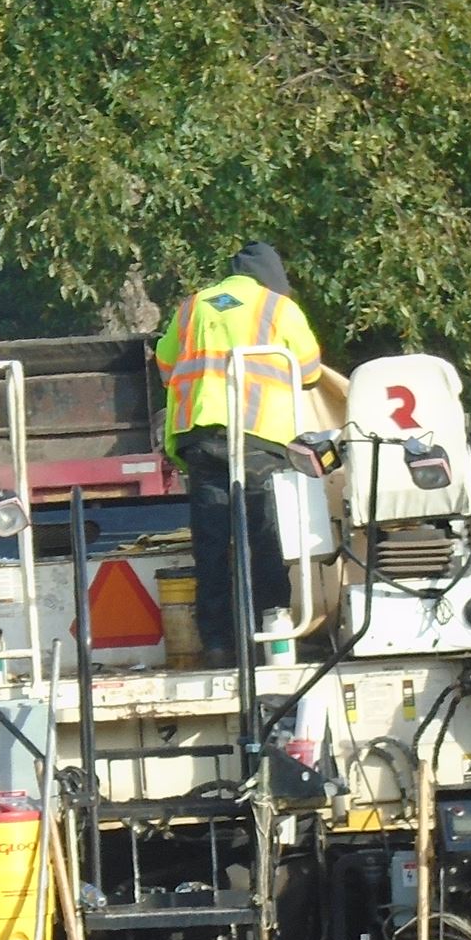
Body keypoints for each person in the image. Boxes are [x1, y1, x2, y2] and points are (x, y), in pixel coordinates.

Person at [154, 242, 327, 664]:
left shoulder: (193, 307)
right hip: (259, 436)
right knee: (265, 538)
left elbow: (165, 365)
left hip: (202, 436)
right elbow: (310, 372)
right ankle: (274, 634)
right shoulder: (278, 307)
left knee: (212, 542)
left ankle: (216, 642)